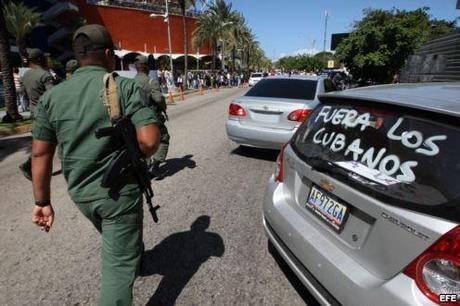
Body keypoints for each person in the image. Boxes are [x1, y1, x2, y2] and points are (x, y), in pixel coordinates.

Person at [30, 24, 161, 306]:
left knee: (119, 242)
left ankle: (133, 256)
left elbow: (40, 155)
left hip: (80, 193)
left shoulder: (51, 98)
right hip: (118, 194)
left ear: (77, 56)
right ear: (108, 54)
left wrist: (42, 201)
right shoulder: (123, 86)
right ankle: (128, 261)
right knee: (116, 268)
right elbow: (150, 142)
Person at [19, 48, 55, 180]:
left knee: (41, 141)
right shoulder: (45, 75)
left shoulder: (26, 75)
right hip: (47, 113)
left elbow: (22, 92)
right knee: (53, 141)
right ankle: (31, 166)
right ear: (40, 59)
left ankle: (30, 165)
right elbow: (52, 95)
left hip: (34, 112)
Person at [133, 55, 170, 179]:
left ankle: (145, 166)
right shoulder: (150, 81)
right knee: (163, 137)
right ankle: (155, 166)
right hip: (151, 116)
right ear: (146, 67)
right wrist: (163, 105)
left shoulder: (130, 82)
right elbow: (158, 98)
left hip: (135, 117)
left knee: (141, 141)